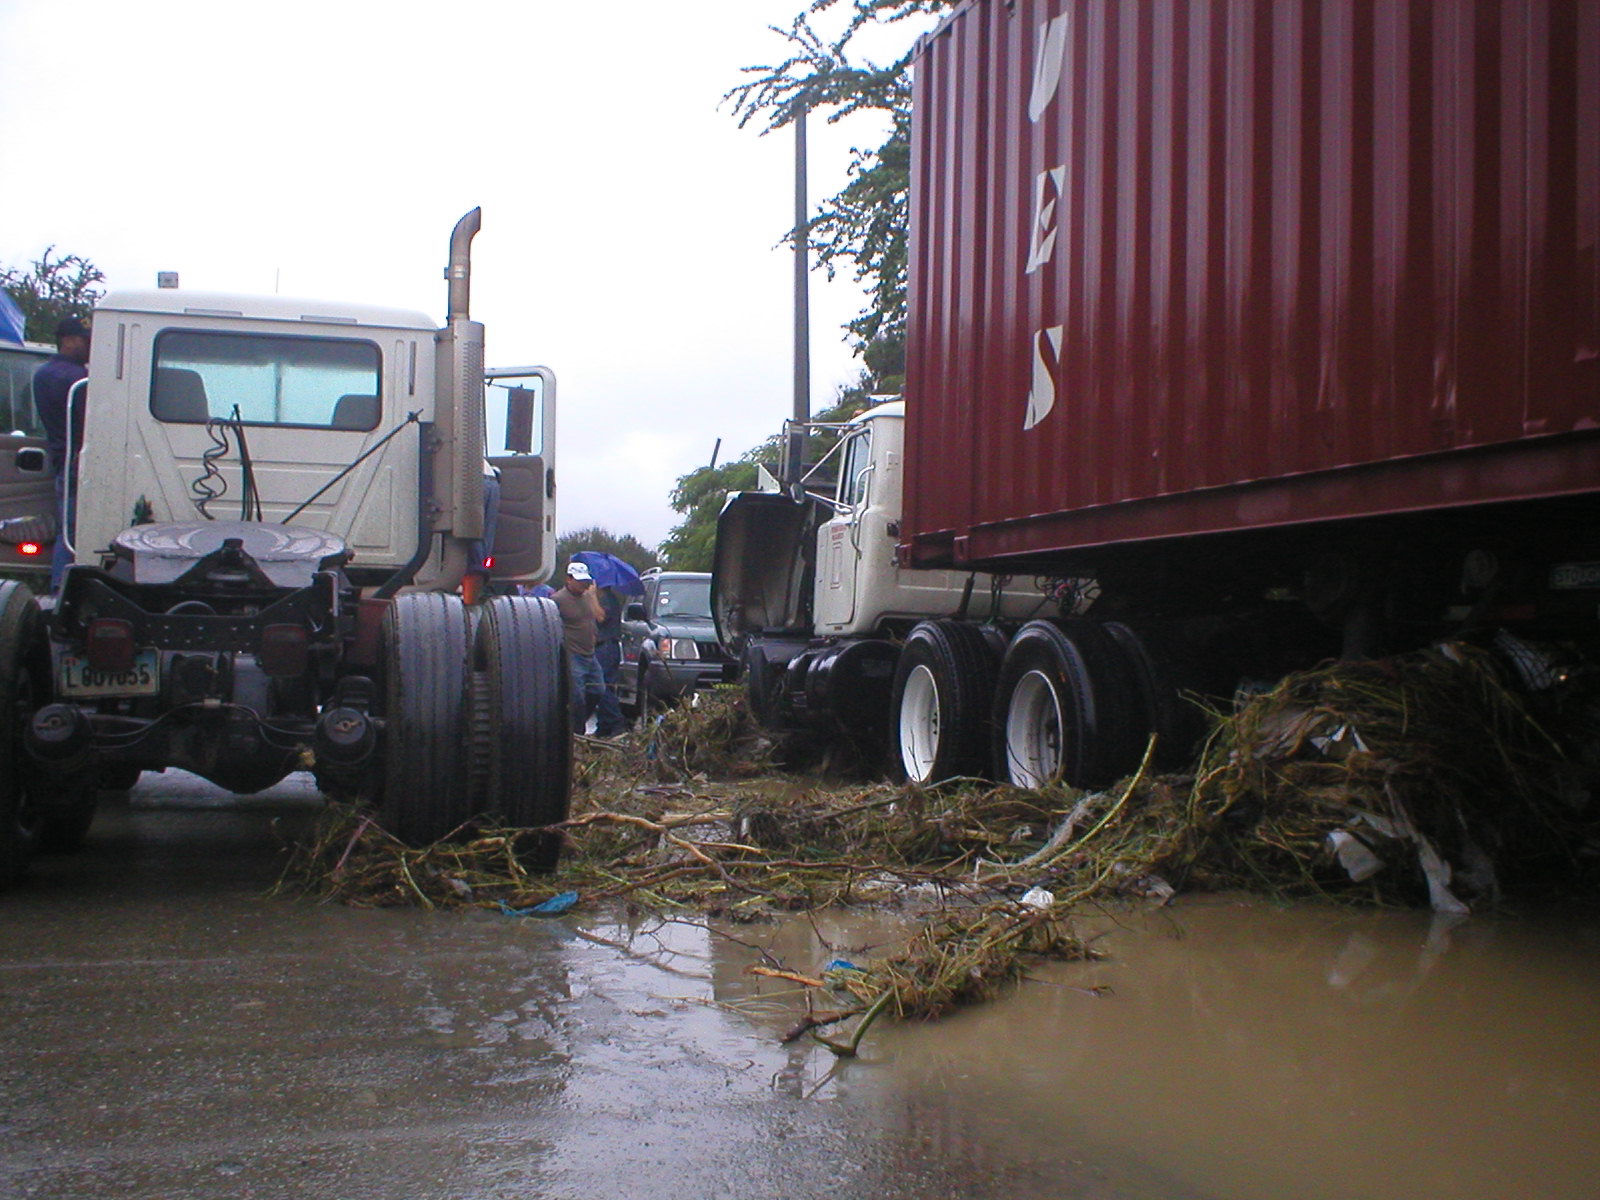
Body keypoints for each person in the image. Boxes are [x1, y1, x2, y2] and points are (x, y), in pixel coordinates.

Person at [32, 316, 90, 590]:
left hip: (62, 460)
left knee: (66, 531)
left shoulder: (43, 373)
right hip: (78, 462)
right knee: (77, 532)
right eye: (85, 339)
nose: (90, 345)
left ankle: (59, 589)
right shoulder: (76, 378)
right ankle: (64, 591)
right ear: (67, 340)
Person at [550, 560, 608, 733]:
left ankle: (577, 723)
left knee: (598, 690)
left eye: (585, 581)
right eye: (579, 581)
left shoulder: (588, 597)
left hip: (590, 653)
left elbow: (601, 618)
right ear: (569, 579)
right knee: (577, 696)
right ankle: (576, 731)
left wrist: (593, 597)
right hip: (572, 653)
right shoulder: (557, 600)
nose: (583, 585)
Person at [591, 584, 628, 736]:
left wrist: (592, 596)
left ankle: (616, 722)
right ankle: (604, 725)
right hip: (603, 647)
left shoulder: (607, 599)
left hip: (606, 646)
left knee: (602, 686)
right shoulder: (606, 598)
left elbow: (600, 616)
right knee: (605, 685)